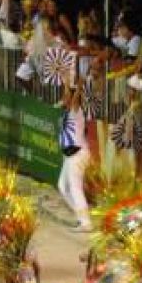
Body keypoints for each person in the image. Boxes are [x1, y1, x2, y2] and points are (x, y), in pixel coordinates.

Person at [57, 83, 92, 232]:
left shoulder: (76, 111)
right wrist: (65, 80)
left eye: (66, 96)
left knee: (75, 188)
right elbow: (69, 96)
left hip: (77, 155)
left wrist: (79, 86)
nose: (63, 97)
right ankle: (81, 216)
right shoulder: (68, 112)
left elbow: (75, 98)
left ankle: (86, 223)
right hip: (70, 156)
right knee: (62, 187)